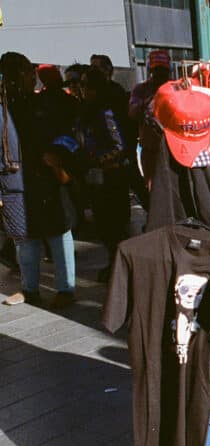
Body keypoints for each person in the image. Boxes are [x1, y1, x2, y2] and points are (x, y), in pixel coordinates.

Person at [0, 52, 78, 308]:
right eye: (24, 72)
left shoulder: (48, 103)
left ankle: (66, 289)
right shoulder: (5, 107)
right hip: (16, 181)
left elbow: (72, 134)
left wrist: (57, 153)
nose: (29, 77)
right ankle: (29, 288)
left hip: (47, 177)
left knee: (58, 231)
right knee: (25, 237)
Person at [78, 66, 130, 283]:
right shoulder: (87, 110)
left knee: (113, 225)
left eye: (85, 86)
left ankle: (120, 267)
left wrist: (101, 160)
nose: (81, 90)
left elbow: (119, 145)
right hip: (97, 177)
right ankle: (113, 263)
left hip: (111, 177)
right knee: (103, 225)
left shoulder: (105, 111)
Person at [129, 50, 172, 184]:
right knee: (152, 186)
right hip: (150, 148)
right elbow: (132, 112)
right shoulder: (141, 89)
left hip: (172, 147)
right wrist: (149, 100)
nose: (159, 75)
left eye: (163, 71)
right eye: (156, 70)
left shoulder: (175, 87)